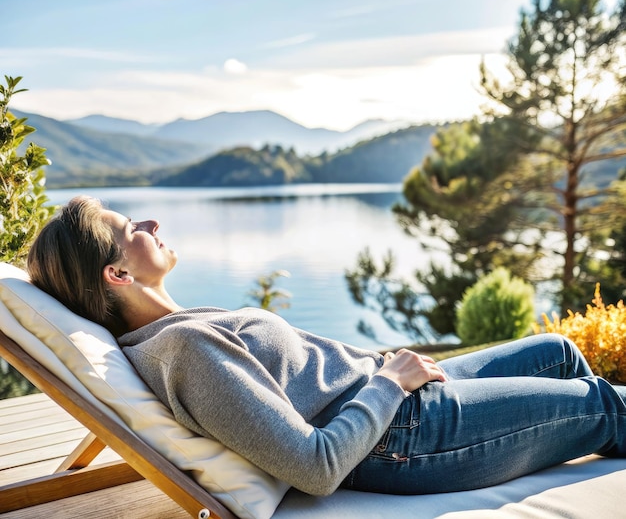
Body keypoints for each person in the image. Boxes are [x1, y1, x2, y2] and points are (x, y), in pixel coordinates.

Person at [27, 195, 626, 497]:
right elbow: (312, 467)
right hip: (399, 437)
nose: (152, 224)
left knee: (557, 351)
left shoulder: (176, 326)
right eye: (134, 230)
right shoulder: (182, 350)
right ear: (118, 276)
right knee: (600, 402)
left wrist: (386, 373)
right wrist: (391, 383)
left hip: (389, 394)